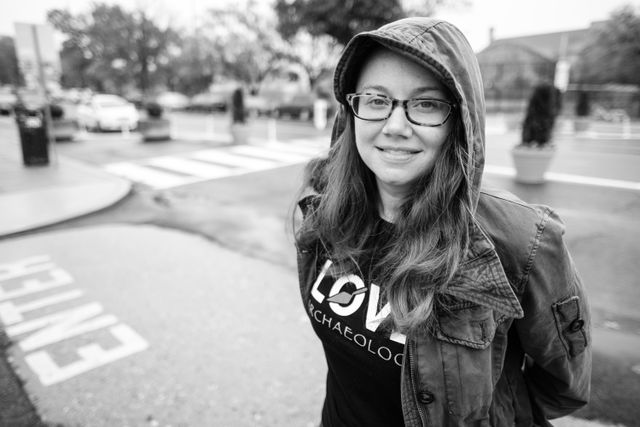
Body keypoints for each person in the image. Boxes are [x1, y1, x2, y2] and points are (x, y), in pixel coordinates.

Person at [293, 17, 591, 427]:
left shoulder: (524, 241)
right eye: (377, 100)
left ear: (460, 120)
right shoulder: (328, 211)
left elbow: (565, 384)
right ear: (353, 110)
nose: (395, 127)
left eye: (426, 103)